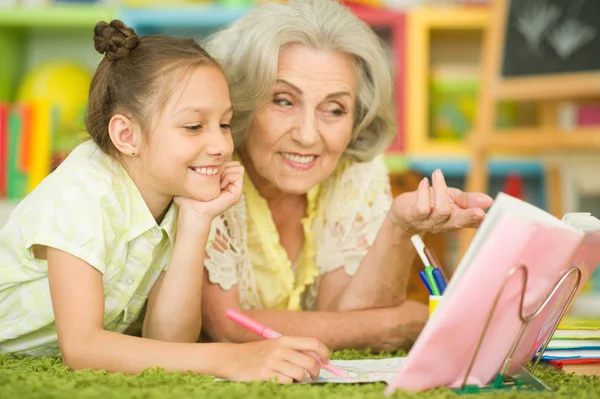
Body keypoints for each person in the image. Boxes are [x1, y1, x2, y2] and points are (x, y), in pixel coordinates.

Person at [0, 19, 332, 384]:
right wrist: (232, 359)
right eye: (194, 127)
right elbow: (81, 348)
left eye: (224, 123)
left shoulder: (177, 191)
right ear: (127, 135)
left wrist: (197, 219)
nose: (222, 146)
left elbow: (166, 339)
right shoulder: (82, 192)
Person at [200, 0, 494, 351]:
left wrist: (399, 227)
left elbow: (348, 317)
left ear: (357, 116)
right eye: (283, 101)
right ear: (241, 100)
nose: (308, 135)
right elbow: (227, 326)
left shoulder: (353, 169)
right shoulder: (209, 162)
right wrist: (398, 321)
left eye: (335, 109)